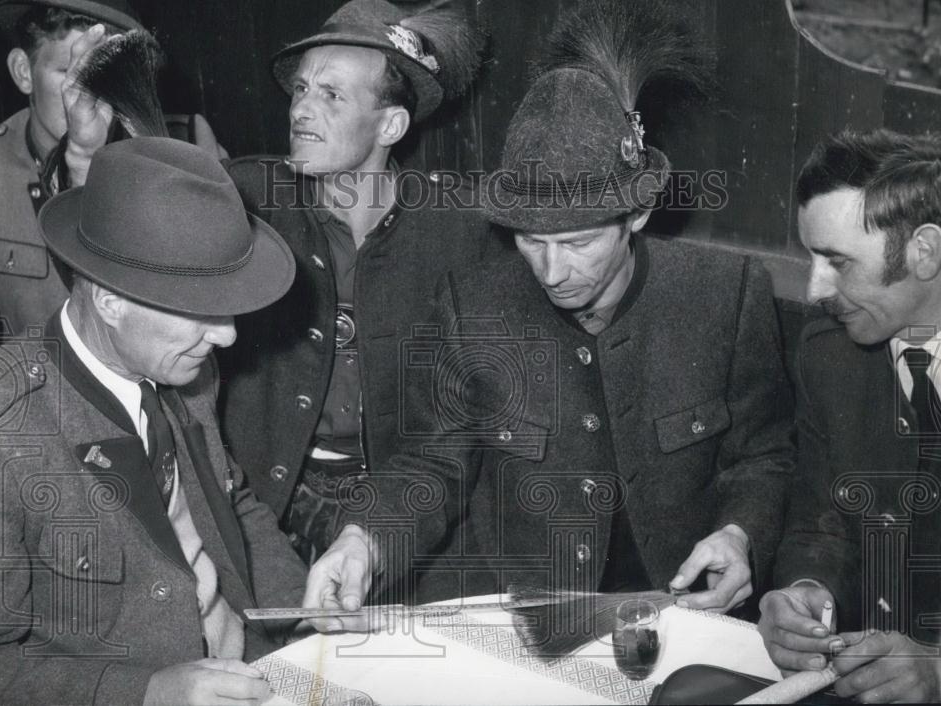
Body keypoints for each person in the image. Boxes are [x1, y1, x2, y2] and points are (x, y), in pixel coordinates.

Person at [306, 0, 794, 619]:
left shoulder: (726, 294)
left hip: (687, 619)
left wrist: (740, 532)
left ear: (637, 216)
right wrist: (364, 541)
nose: (551, 272)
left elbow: (764, 455)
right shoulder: (473, 306)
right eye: (531, 241)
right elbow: (434, 461)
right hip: (532, 622)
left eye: (578, 243)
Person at [0, 138, 351, 705]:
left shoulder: (186, 370)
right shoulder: (2, 434)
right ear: (109, 299)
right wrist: (145, 693)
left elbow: (233, 503)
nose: (227, 335)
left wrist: (301, 613)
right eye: (201, 310)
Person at [215, 0, 491, 568]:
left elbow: (454, 438)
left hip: (404, 517)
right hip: (266, 510)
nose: (301, 110)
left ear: (390, 124)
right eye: (300, 90)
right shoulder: (245, 200)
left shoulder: (457, 231)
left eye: (331, 96)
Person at [757, 129, 941, 703]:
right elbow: (821, 519)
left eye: (837, 262)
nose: (813, 290)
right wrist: (807, 591)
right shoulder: (828, 355)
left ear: (923, 251)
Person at [0, 0, 226, 339]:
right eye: (71, 72)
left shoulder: (188, 147)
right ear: (23, 71)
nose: (84, 94)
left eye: (104, 74)